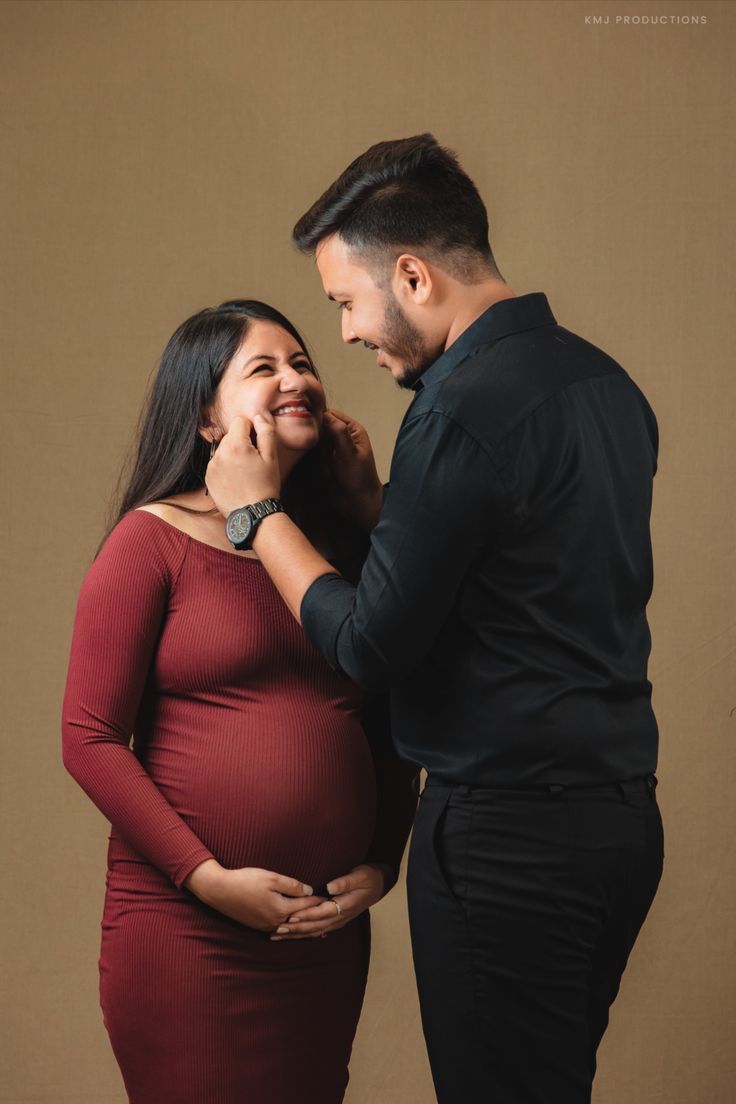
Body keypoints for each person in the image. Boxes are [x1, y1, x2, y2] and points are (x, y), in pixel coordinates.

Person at [203, 136, 665, 1104]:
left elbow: (369, 644)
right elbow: (521, 584)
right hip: (618, 827)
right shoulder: (604, 386)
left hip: (506, 846)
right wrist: (384, 516)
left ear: (409, 275)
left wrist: (256, 516)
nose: (346, 335)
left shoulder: (457, 409)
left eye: (343, 302)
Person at [61, 299, 418, 1104]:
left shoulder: (340, 554)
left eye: (302, 363)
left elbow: (393, 724)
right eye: (264, 369)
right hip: (189, 933)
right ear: (206, 419)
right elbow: (88, 737)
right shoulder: (149, 542)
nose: (297, 379)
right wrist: (208, 878)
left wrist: (380, 860)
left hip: (320, 939)